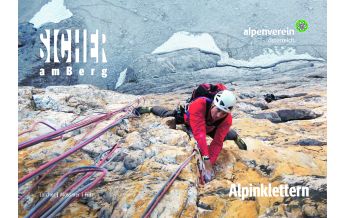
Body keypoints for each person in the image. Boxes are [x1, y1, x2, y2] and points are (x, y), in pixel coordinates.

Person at [136, 89, 247, 182]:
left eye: (223, 113)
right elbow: (199, 134)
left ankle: (236, 137)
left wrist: (209, 166)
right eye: (218, 110)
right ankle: (150, 109)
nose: (219, 115)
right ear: (213, 104)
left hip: (209, 127)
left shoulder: (227, 119)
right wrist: (206, 159)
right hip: (189, 120)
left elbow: (217, 143)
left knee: (225, 135)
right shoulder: (199, 104)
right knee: (169, 114)